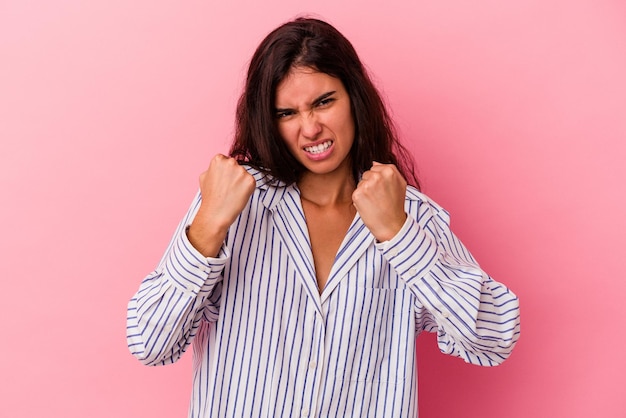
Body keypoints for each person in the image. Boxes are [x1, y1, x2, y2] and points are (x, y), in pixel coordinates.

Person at [126, 17, 520, 417]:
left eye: (323, 102)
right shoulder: (231, 207)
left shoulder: (408, 216)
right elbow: (150, 343)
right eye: (287, 113)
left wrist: (397, 235)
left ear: (354, 98)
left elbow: (495, 339)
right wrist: (209, 224)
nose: (310, 128)